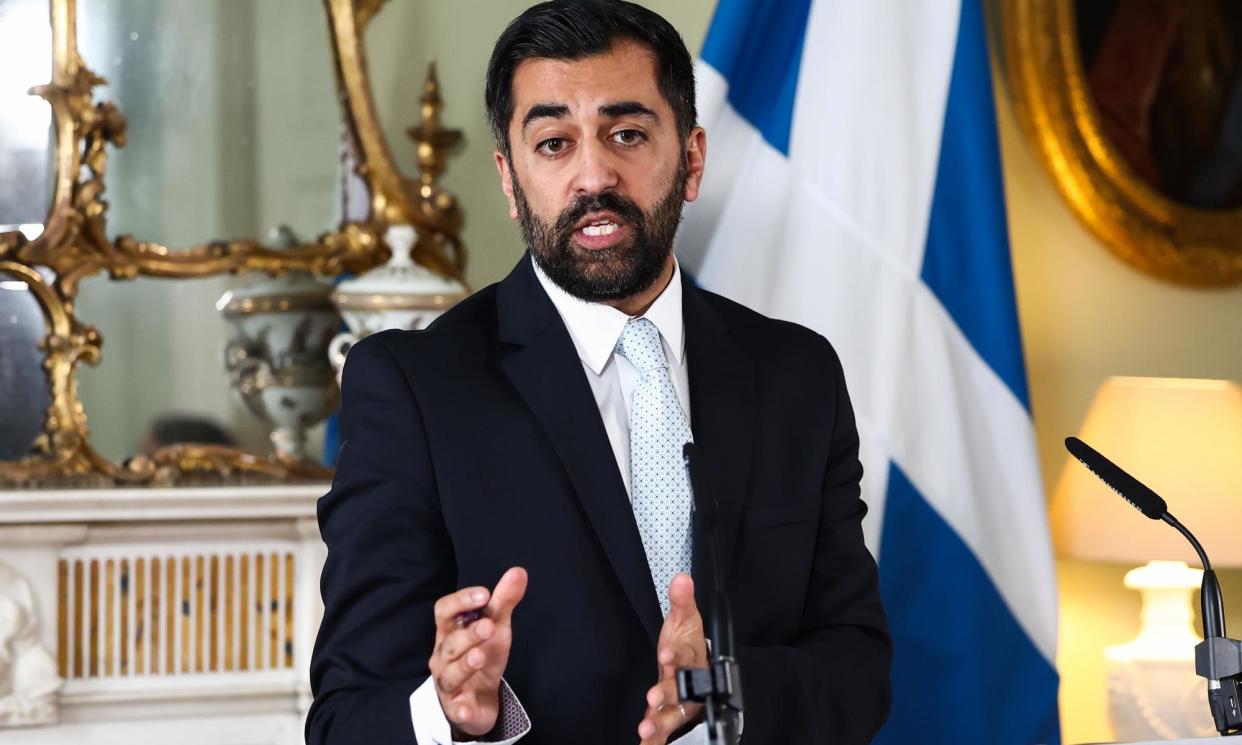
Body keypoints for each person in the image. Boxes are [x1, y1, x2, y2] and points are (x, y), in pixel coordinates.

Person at [306, 2, 891, 744]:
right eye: (553, 142)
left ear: (692, 159)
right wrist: (450, 712)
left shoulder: (796, 374)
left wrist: (724, 689)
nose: (594, 174)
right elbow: (345, 721)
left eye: (627, 133)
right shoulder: (414, 389)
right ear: (511, 181)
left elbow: (856, 662)